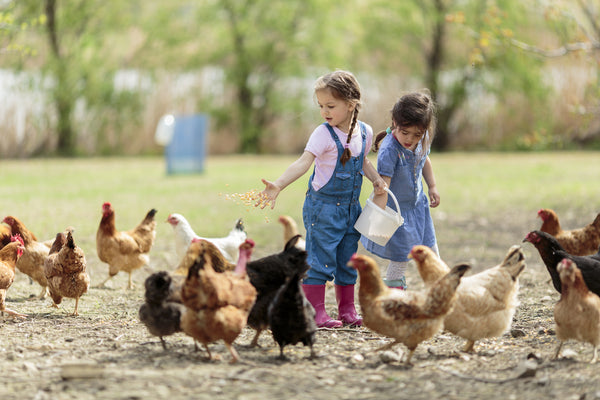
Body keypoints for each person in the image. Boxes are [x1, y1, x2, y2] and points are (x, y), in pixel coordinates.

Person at [258, 70, 386, 328]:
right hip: (323, 209)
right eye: (320, 106)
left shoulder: (365, 131)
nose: (324, 112)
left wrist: (375, 179)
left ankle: (347, 310)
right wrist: (278, 184)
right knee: (319, 260)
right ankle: (315, 311)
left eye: (330, 106)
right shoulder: (322, 134)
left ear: (351, 105)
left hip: (351, 209)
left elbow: (362, 161)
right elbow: (304, 163)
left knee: (347, 259)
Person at [363, 90, 440, 290]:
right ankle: (393, 294)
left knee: (431, 249)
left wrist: (432, 186)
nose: (410, 139)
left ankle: (440, 288)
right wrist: (377, 218)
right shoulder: (389, 150)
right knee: (401, 257)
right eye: (405, 133)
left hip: (418, 206)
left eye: (417, 134)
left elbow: (424, 160)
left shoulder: (421, 140)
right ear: (395, 123)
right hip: (398, 213)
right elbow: (383, 187)